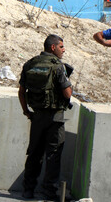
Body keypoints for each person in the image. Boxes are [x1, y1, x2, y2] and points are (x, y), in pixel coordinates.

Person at [18, 34, 72, 200]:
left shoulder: (31, 63)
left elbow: (21, 92)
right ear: (53, 47)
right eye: (61, 47)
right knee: (53, 154)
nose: (64, 50)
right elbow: (67, 93)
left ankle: (28, 189)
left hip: (36, 116)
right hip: (55, 118)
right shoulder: (57, 66)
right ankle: (49, 191)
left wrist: (26, 111)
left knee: (34, 153)